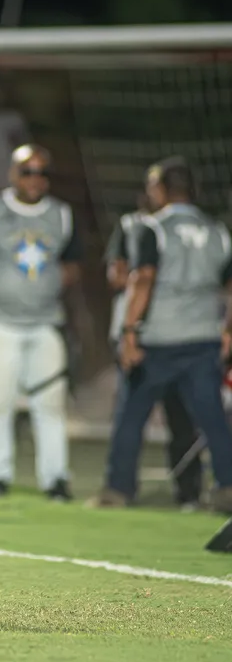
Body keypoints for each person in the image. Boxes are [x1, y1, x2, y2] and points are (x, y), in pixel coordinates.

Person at [90, 156, 232, 513]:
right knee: (212, 420)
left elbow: (143, 280)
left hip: (158, 341)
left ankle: (118, 489)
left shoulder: (151, 228)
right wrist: (228, 329)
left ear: (161, 189)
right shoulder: (218, 231)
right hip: (202, 339)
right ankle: (227, 487)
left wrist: (129, 332)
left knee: (131, 416)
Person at [0, 144, 80, 501]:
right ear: (13, 174)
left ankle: (55, 479)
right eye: (28, 171)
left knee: (50, 404)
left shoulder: (62, 214)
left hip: (45, 323)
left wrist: (47, 291)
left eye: (42, 172)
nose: (35, 179)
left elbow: (72, 263)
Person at [104, 192, 203, 509]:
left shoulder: (190, 231)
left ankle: (187, 491)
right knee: (134, 416)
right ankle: (122, 487)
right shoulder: (134, 226)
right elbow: (117, 274)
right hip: (150, 337)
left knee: (179, 418)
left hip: (169, 337)